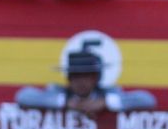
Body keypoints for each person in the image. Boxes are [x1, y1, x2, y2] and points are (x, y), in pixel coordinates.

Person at [15, 48, 157, 112]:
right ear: (69, 79)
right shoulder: (59, 92)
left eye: (86, 76)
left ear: (96, 78)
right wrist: (65, 103)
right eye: (76, 76)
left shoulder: (108, 93)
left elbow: (148, 100)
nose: (81, 82)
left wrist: (105, 103)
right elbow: (22, 96)